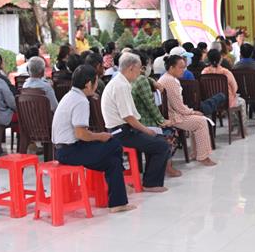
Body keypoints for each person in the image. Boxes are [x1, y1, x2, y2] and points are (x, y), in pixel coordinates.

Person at [52, 64, 134, 212]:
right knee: (114, 144)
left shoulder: (70, 96)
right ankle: (120, 189)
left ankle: (118, 203)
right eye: (96, 81)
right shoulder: (81, 101)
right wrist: (100, 136)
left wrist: (97, 137)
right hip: (70, 151)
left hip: (62, 150)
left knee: (113, 162)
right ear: (89, 84)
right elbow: (81, 134)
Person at [101, 53, 173, 191]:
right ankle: (151, 183)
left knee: (157, 139)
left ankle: (149, 180)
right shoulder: (121, 85)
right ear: (131, 68)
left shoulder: (120, 82)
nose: (140, 71)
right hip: (121, 132)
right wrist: (146, 130)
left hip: (124, 129)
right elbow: (128, 117)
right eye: (139, 68)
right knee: (162, 145)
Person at [159, 54, 216, 166]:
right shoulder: (170, 81)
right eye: (180, 67)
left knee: (199, 119)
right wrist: (192, 112)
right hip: (173, 116)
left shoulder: (167, 78)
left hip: (174, 113)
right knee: (201, 122)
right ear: (171, 67)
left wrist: (191, 112)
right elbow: (178, 106)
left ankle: (196, 153)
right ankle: (203, 157)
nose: (183, 70)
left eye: (184, 67)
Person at [203, 49, 246, 124]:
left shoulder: (204, 72)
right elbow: (235, 88)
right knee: (242, 101)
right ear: (220, 59)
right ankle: (240, 127)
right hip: (227, 102)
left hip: (211, 101)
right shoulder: (226, 72)